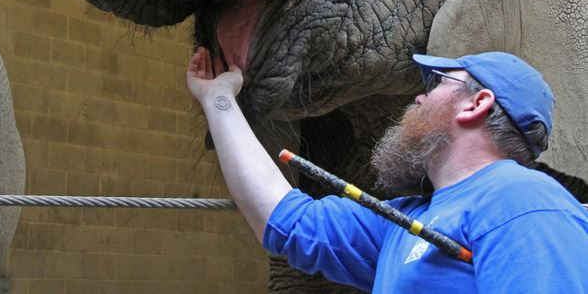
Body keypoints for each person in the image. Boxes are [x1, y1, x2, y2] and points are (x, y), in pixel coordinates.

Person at [186, 48, 588, 293]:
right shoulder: (406, 220)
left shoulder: (524, 200)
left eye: (437, 82)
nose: (420, 94)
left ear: (476, 103)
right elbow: (285, 221)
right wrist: (218, 100)